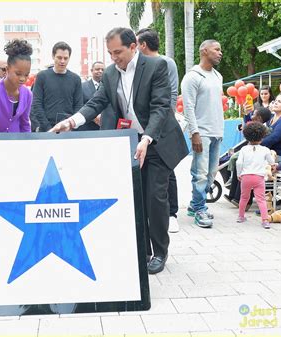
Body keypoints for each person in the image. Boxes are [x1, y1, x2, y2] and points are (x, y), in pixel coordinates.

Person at [50, 27, 188, 274]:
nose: (114, 57)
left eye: (118, 52)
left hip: (157, 141)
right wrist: (72, 122)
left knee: (155, 198)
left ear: (133, 46)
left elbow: (160, 108)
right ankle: (141, 251)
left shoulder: (156, 67)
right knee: (136, 197)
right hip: (131, 141)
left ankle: (160, 252)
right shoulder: (111, 73)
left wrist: (147, 138)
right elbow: (96, 102)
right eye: (111, 53)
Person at [137, 28, 180, 233]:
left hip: (162, 129)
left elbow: (169, 95)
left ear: (142, 45)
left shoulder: (165, 62)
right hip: (146, 131)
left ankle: (172, 214)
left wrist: (160, 123)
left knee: (167, 175)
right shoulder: (138, 66)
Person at [181, 39, 224, 228]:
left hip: (216, 131)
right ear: (204, 51)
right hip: (202, 132)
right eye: (216, 49)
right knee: (200, 173)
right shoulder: (192, 76)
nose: (220, 53)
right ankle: (199, 208)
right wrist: (194, 133)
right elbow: (188, 107)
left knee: (211, 173)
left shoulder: (217, 76)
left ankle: (194, 204)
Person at [226, 94, 281, 205]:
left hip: (279, 155)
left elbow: (274, 138)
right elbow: (256, 128)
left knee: (248, 161)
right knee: (240, 159)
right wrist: (247, 114)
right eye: (276, 100)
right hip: (266, 151)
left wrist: (255, 144)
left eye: (280, 101)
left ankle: (244, 200)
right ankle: (234, 195)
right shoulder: (272, 119)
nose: (276, 103)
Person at [31, 41, 83, 132]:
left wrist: (71, 126)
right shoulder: (42, 76)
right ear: (53, 56)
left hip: (68, 129)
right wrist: (47, 128)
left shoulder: (76, 79)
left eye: (65, 58)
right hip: (46, 129)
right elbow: (36, 103)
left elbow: (78, 105)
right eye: (59, 57)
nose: (62, 61)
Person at [236, 122, 274, 228]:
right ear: (262, 137)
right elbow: (271, 162)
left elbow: (239, 163)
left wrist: (239, 174)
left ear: (247, 136)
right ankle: (265, 220)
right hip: (259, 177)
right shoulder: (265, 150)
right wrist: (273, 164)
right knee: (261, 199)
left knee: (244, 197)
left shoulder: (243, 149)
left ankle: (241, 216)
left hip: (246, 177)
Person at [79, 61, 104, 131]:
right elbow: (79, 105)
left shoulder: (109, 87)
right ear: (91, 71)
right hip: (88, 127)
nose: (100, 71)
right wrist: (93, 117)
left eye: (102, 70)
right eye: (97, 69)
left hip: (105, 128)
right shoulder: (82, 87)